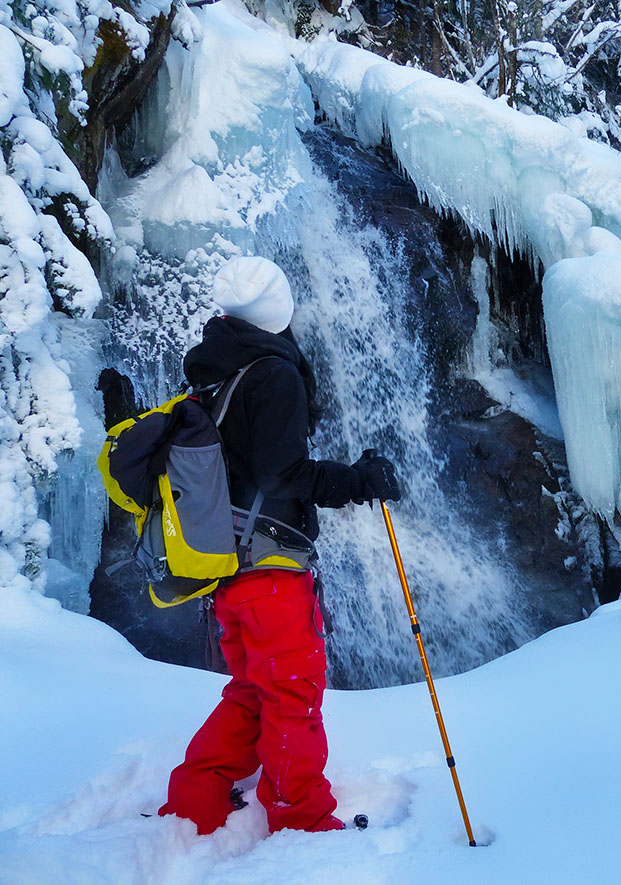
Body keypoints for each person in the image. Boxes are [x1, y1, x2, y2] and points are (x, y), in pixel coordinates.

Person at [158, 256, 400, 835]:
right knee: (292, 693)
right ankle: (302, 819)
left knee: (253, 689)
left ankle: (196, 800)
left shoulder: (216, 372)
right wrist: (358, 480)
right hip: (269, 566)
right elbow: (284, 474)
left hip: (229, 564)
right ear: (279, 309)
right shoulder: (273, 373)